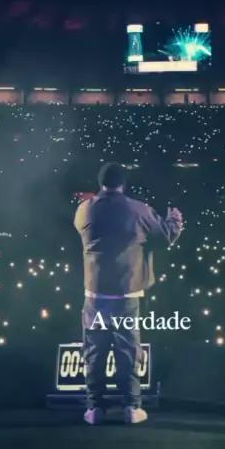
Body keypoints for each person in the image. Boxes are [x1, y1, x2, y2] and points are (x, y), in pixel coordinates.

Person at [74, 162, 183, 425]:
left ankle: (94, 408)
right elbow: (166, 235)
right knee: (128, 352)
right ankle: (132, 407)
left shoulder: (85, 209)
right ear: (123, 183)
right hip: (126, 295)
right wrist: (175, 217)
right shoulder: (138, 209)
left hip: (94, 295)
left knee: (94, 353)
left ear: (100, 183)